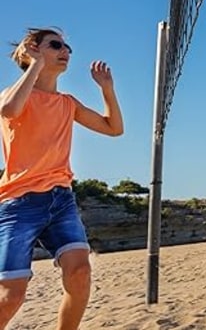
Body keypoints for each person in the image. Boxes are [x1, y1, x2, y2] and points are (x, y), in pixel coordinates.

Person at [0, 27, 124, 330]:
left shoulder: (68, 103)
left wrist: (107, 89)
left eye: (67, 46)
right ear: (34, 49)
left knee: (80, 272)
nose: (65, 50)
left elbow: (113, 128)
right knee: (11, 296)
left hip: (61, 199)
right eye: (56, 45)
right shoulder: (14, 94)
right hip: (19, 203)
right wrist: (36, 66)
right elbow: (9, 109)